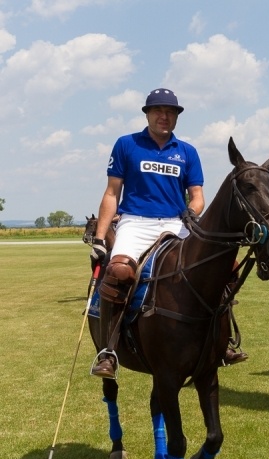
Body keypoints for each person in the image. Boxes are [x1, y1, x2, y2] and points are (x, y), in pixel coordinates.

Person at [88, 88, 241, 378]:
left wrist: (191, 215)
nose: (164, 116)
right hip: (135, 222)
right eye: (158, 110)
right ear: (147, 114)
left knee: (225, 269)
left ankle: (221, 341)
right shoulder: (126, 145)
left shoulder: (187, 152)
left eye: (170, 112)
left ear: (176, 117)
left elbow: (197, 196)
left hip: (175, 223)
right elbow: (111, 193)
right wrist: (100, 238)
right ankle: (108, 350)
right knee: (119, 272)